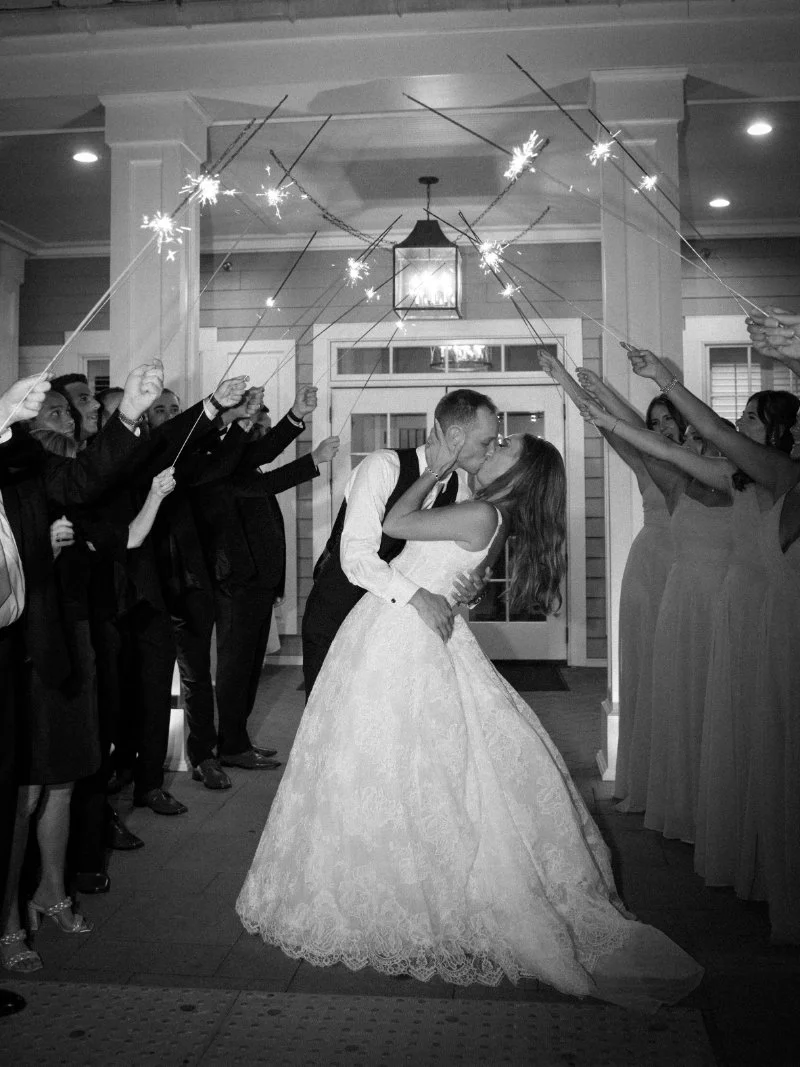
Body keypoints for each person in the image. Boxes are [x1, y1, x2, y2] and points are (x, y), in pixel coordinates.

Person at [237, 424, 704, 1012]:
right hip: (404, 626)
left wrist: (432, 469)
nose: (492, 448)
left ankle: (413, 893)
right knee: (399, 756)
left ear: (521, 474)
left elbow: (393, 526)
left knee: (404, 759)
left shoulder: (481, 510)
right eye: (494, 440)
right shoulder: (480, 509)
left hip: (405, 636)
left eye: (504, 448)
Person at [0, 363, 164, 981]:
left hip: (57, 639)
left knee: (62, 778)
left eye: (70, 411)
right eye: (56, 410)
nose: (67, 417)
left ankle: (50, 890)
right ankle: (9, 916)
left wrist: (130, 415)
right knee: (26, 789)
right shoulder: (14, 454)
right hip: (24, 646)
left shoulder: (39, 467)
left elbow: (87, 484)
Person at [542, 355, 679, 814]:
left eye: (669, 421)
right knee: (650, 670)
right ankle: (654, 780)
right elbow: (606, 425)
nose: (662, 429)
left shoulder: (716, 464)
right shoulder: (647, 463)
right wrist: (566, 379)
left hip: (700, 573)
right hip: (652, 569)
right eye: (655, 423)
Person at [301, 388, 495, 698]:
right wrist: (418, 597)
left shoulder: (459, 491)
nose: (490, 452)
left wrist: (471, 591)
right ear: (455, 436)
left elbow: (444, 565)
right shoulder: (382, 467)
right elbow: (356, 558)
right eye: (486, 442)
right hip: (336, 616)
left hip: (393, 634)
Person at [192, 385, 338, 775]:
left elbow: (265, 458)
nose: (261, 434)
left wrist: (295, 415)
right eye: (257, 426)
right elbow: (264, 481)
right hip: (236, 584)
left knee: (250, 667)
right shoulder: (214, 466)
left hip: (257, 584)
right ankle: (231, 746)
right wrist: (312, 458)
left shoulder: (243, 464)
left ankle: (237, 741)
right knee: (236, 669)